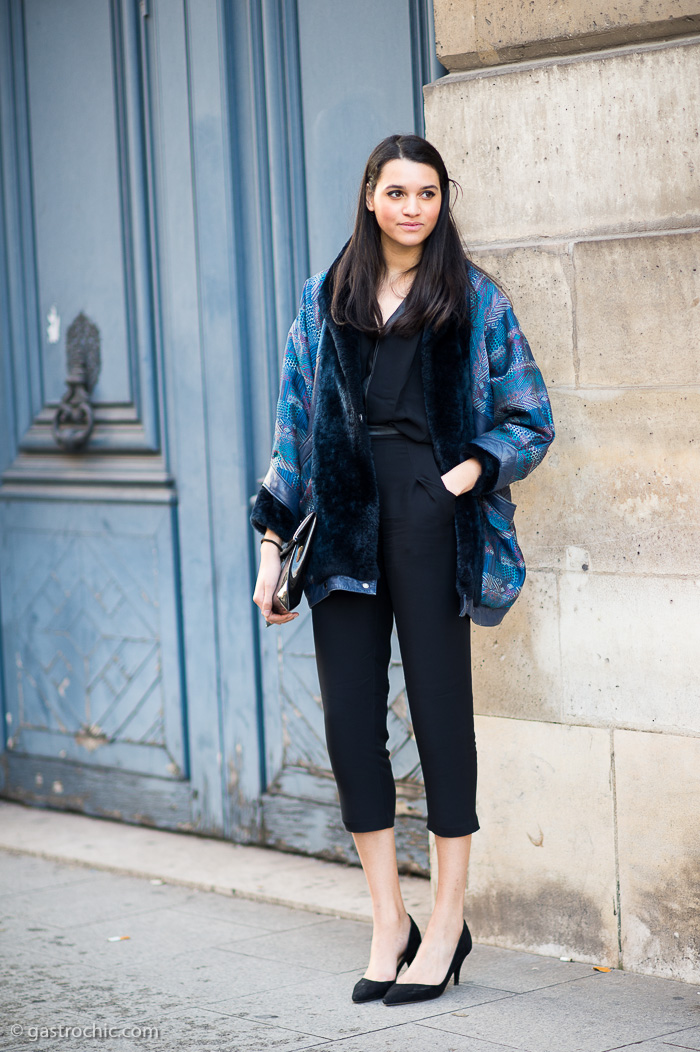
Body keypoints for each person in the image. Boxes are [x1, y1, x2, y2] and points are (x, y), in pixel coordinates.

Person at [251, 134, 554, 1005]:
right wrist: (271, 549)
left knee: (440, 720)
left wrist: (460, 476)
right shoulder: (324, 302)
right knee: (352, 729)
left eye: (428, 192)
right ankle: (390, 920)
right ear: (371, 196)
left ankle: (448, 922)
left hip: (431, 521)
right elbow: (291, 433)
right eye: (398, 191)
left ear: (441, 200)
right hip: (343, 528)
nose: (414, 207)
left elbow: (529, 417)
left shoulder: (473, 299)